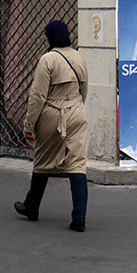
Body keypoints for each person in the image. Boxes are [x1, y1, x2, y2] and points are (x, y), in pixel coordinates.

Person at [14, 20, 89, 232]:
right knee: (77, 164)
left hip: (52, 113)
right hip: (76, 112)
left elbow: (37, 97)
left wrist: (29, 125)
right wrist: (76, 107)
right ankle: (79, 217)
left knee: (42, 160)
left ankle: (31, 206)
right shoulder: (79, 57)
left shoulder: (47, 59)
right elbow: (84, 89)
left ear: (49, 37)